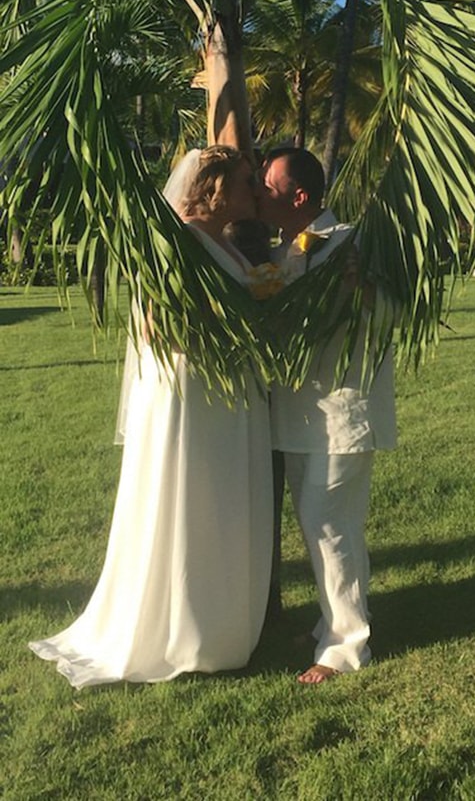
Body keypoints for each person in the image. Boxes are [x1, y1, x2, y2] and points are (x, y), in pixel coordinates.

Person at [29, 146, 273, 687]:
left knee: (221, 500)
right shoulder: (177, 241)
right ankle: (183, 627)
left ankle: (220, 622)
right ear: (214, 188)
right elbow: (154, 329)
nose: (251, 192)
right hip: (194, 392)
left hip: (229, 393)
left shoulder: (220, 240)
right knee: (189, 495)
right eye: (244, 182)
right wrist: (228, 342)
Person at [256, 147, 396, 684]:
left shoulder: (351, 240)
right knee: (315, 526)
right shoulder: (283, 249)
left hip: (343, 409)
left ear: (299, 195)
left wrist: (362, 287)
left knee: (331, 525)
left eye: (269, 185)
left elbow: (392, 311)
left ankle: (345, 646)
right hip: (297, 412)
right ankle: (329, 625)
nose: (262, 194)